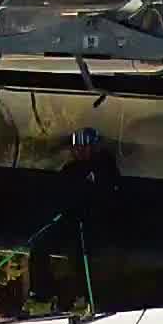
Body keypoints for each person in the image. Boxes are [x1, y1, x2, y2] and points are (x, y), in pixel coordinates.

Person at [29, 126, 119, 313]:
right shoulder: (70, 169)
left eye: (84, 148)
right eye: (76, 148)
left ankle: (83, 298)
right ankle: (42, 296)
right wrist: (59, 212)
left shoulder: (105, 166)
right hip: (68, 220)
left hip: (93, 223)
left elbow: (108, 195)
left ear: (94, 147)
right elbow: (59, 195)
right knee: (39, 244)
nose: (79, 151)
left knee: (78, 250)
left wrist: (89, 209)